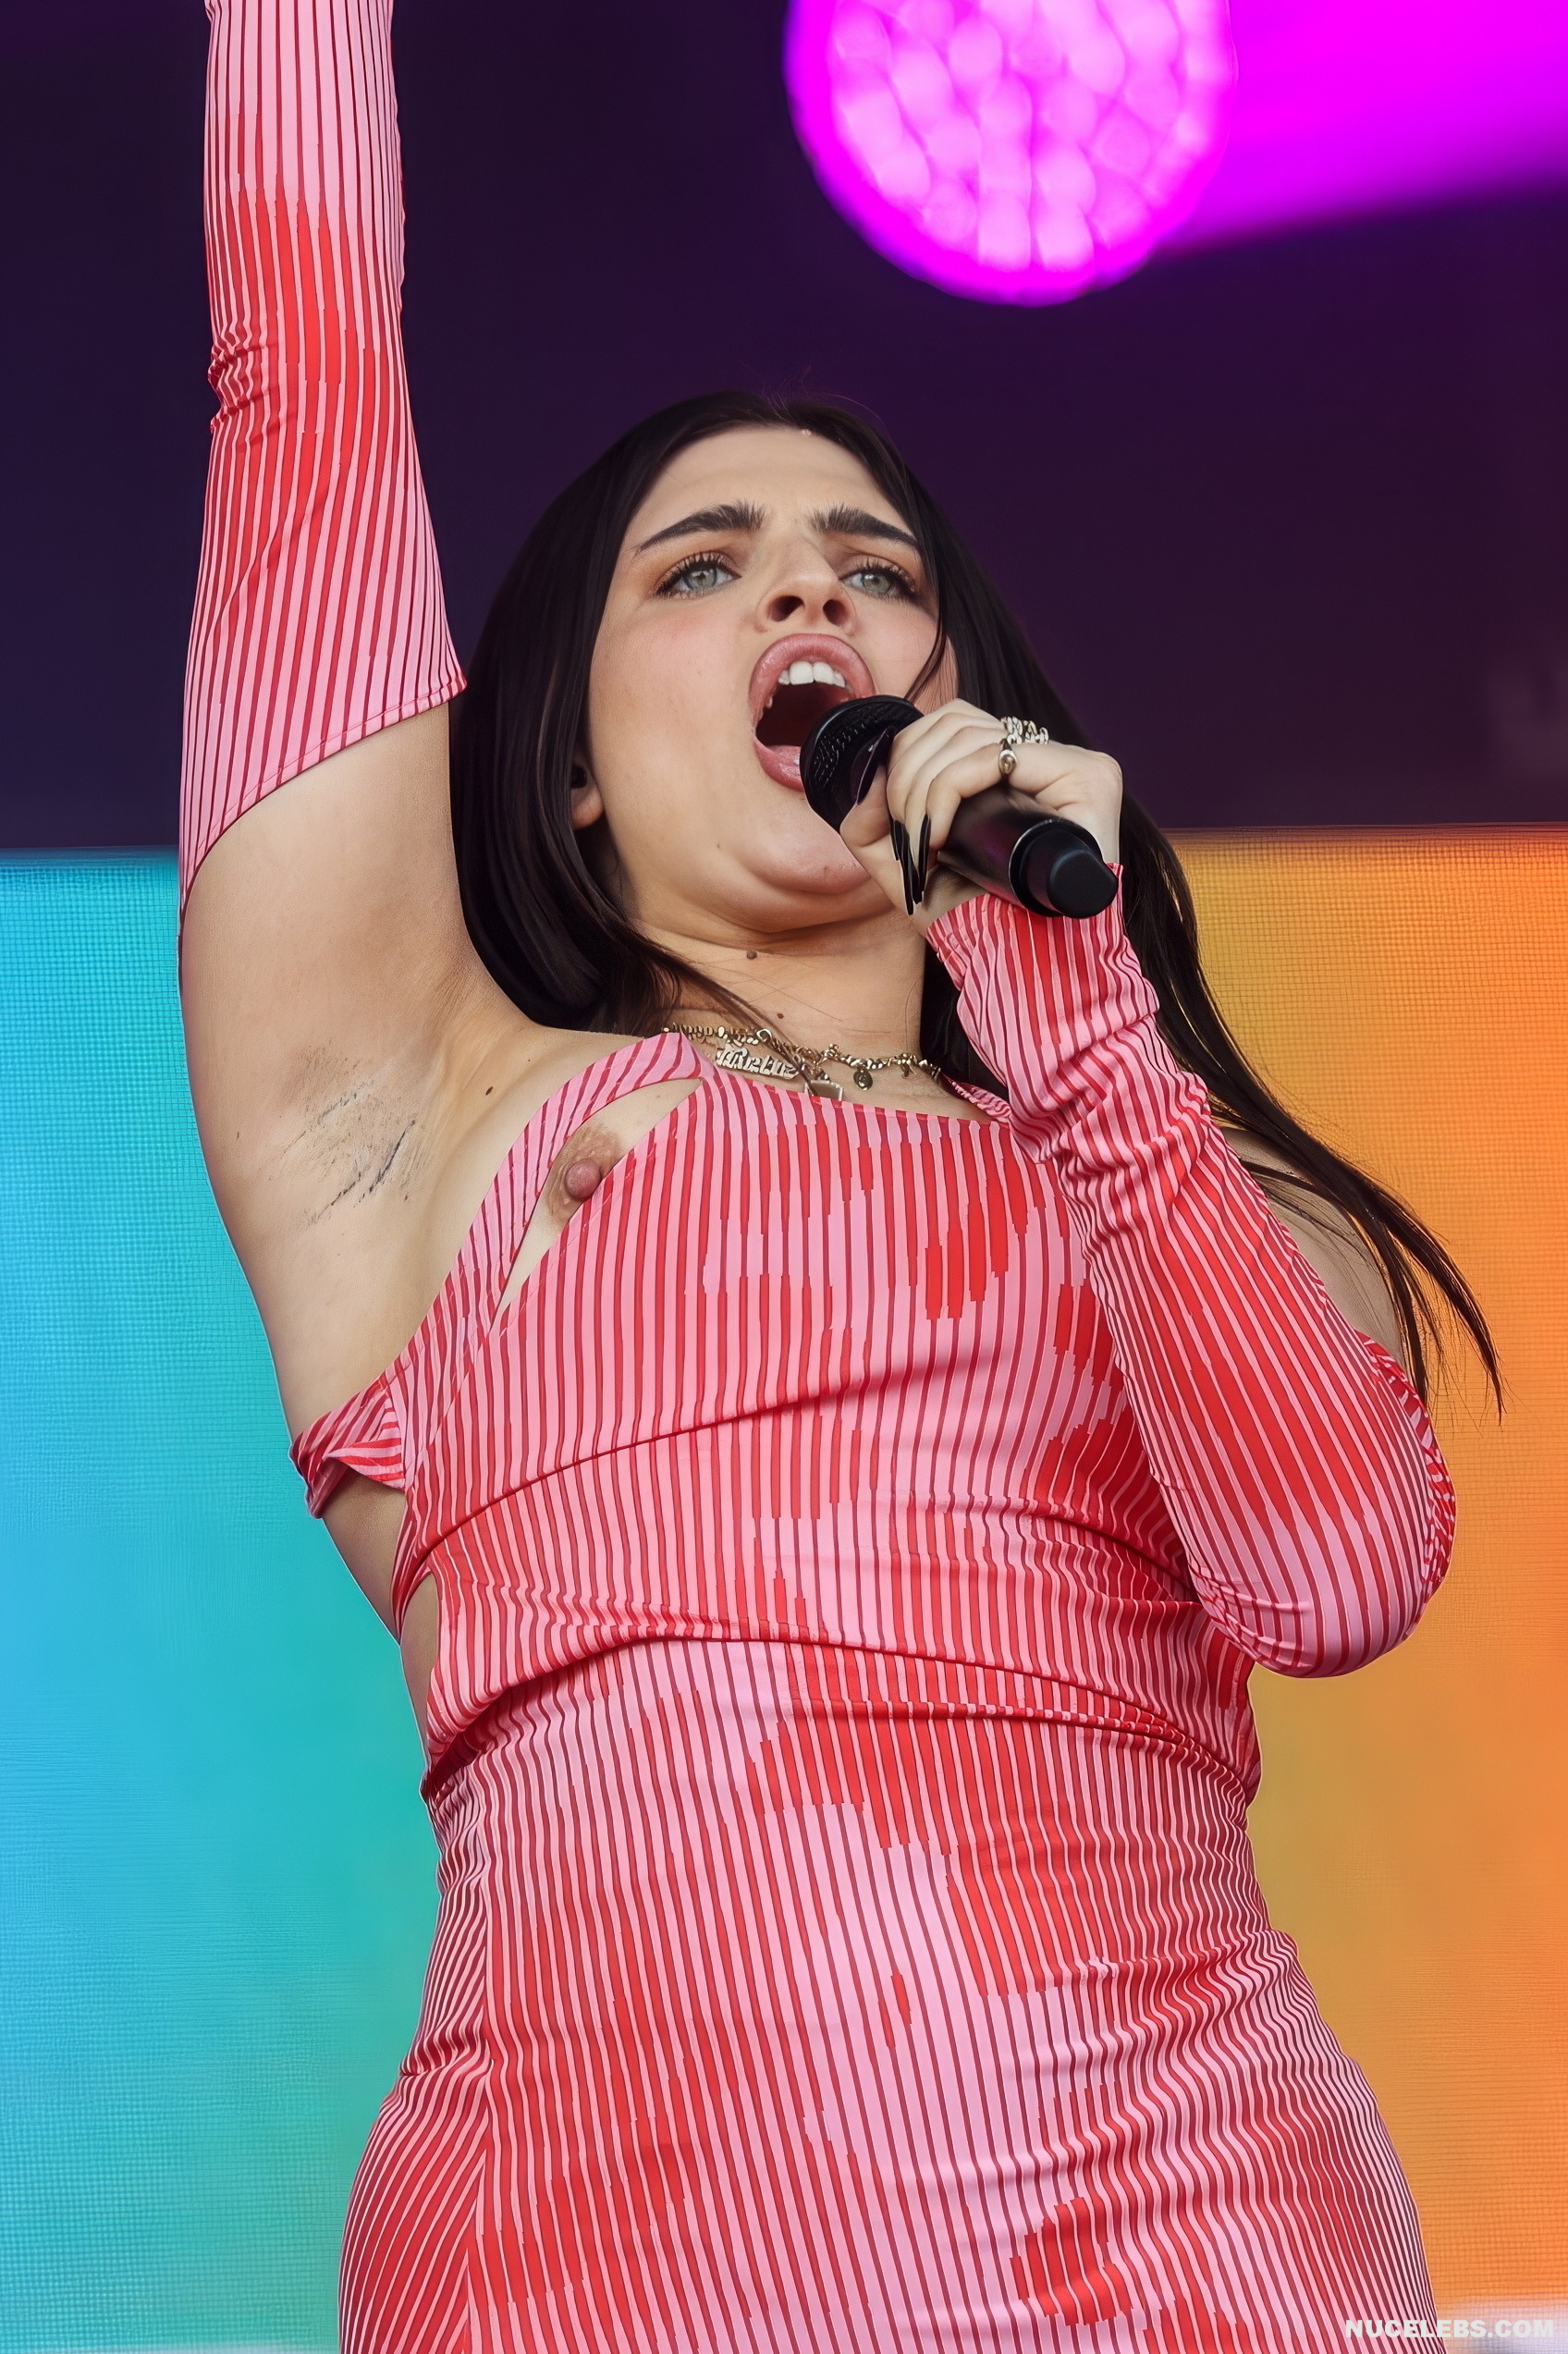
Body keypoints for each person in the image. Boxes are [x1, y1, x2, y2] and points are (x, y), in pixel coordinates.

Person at [179, 5, 1496, 2347]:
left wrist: (1075, 1031)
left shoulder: (1176, 1180)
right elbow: (305, 392)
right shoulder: (430, 1119)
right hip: (586, 2280)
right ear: (567, 765)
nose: (809, 605)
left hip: (1199, 2267)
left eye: (869, 572)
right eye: (702, 571)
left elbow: (1327, 1571)